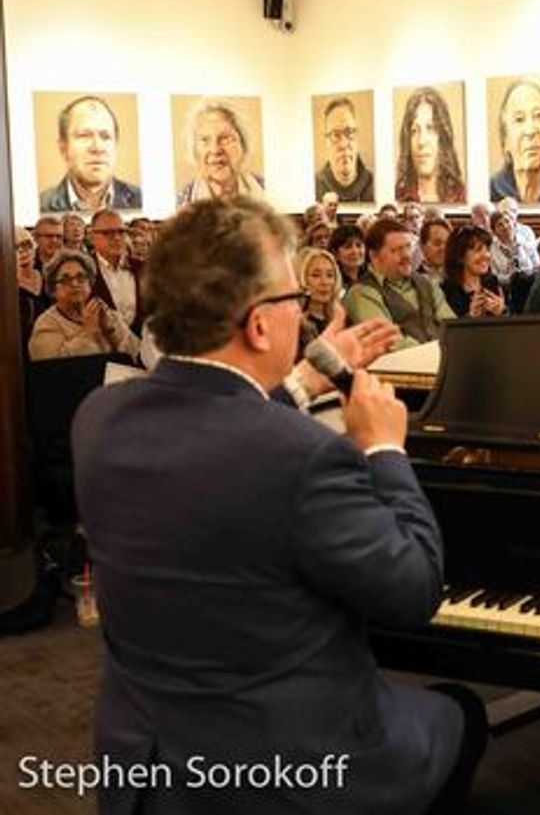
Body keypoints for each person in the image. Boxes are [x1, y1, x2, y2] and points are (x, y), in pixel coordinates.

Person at [71, 197, 486, 814]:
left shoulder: (98, 418)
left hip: (146, 760)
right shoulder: (305, 458)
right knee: (462, 714)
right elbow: (414, 588)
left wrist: (302, 381)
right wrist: (385, 450)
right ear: (261, 325)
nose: (302, 313)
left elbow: (219, 439)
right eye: (295, 300)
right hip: (294, 765)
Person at [344, 218, 456, 349]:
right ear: (374, 256)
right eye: (396, 250)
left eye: (408, 247)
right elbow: (388, 340)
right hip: (397, 366)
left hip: (441, 360)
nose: (406, 255)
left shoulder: (427, 282)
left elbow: (451, 325)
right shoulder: (362, 293)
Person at [29, 249, 141, 361]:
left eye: (81, 277)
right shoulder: (47, 323)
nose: (75, 284)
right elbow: (51, 367)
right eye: (65, 279)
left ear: (90, 284)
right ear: (53, 289)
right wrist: (87, 333)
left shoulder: (105, 313)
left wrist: (112, 330)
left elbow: (137, 354)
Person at [39, 95, 142, 213]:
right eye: (84, 136)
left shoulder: (142, 200)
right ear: (63, 149)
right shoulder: (40, 206)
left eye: (105, 136)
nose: (97, 148)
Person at [489, 78, 540, 203]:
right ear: (505, 139)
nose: (530, 131)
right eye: (519, 119)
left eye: (538, 116)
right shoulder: (492, 190)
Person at [176, 100, 265, 206]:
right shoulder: (180, 202)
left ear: (243, 145)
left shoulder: (266, 190)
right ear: (194, 151)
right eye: (204, 140)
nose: (215, 150)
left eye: (225, 138)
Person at [395, 87, 466, 205]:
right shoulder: (400, 196)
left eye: (430, 128)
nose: (421, 142)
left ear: (443, 138)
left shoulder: (459, 195)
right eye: (414, 131)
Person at [88, 209, 143, 332]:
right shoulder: (84, 269)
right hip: (101, 346)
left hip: (142, 345)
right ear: (91, 237)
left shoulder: (142, 268)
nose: (117, 238)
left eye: (121, 232)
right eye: (108, 233)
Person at [316, 96, 375, 203]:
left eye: (349, 132)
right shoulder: (315, 186)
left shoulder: (374, 184)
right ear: (326, 142)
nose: (343, 144)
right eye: (335, 135)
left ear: (357, 137)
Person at [442, 225, 508, 319]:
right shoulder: (447, 291)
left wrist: (502, 311)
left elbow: (512, 326)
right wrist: (470, 316)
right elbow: (446, 330)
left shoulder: (493, 283)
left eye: (487, 249)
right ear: (460, 256)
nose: (486, 256)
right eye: (478, 250)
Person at [297, 247, 342, 354]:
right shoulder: (297, 325)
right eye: (316, 275)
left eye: (330, 275)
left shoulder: (340, 316)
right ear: (301, 279)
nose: (325, 282)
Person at [15, 226, 51, 349]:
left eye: (26, 245)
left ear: (34, 247)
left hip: (52, 343)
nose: (22, 251)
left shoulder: (48, 276)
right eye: (15, 247)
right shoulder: (6, 286)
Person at [329, 223, 367, 290]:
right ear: (336, 253)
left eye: (359, 245)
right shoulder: (332, 280)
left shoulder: (371, 276)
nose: (355, 251)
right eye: (348, 247)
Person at [418, 219, 452, 283]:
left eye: (447, 243)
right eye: (437, 243)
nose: (443, 248)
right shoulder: (413, 281)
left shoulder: (459, 278)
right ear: (422, 246)